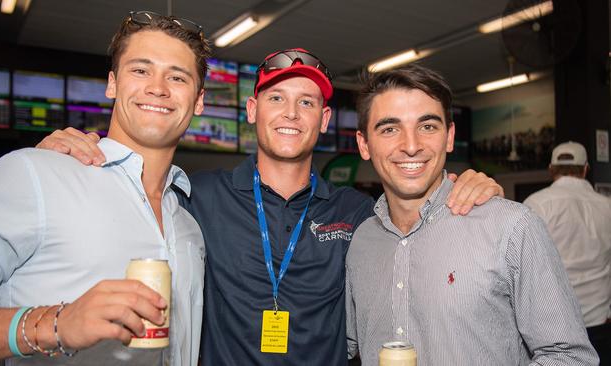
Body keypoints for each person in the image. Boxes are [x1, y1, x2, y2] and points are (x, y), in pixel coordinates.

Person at [37, 49, 503, 365]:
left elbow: (418, 222)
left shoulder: (360, 212)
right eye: (276, 98)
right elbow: (130, 192)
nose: (291, 113)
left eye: (307, 102)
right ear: (252, 109)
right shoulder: (196, 196)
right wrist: (72, 150)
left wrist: (468, 186)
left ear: (323, 119)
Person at [0, 11, 210, 365]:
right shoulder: (35, 174)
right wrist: (56, 325)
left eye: (178, 77)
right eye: (141, 70)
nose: (158, 87)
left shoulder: (189, 228)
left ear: (198, 101)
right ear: (112, 84)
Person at [345, 65, 599, 365]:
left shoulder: (512, 227)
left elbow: (570, 356)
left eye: (427, 126)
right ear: (364, 144)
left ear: (449, 137)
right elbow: (346, 345)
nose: (411, 146)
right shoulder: (361, 241)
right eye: (390, 129)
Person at [524, 141, 611, 364]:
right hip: (601, 319)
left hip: (555, 326)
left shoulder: (536, 204)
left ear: (551, 170)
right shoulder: (606, 206)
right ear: (585, 169)